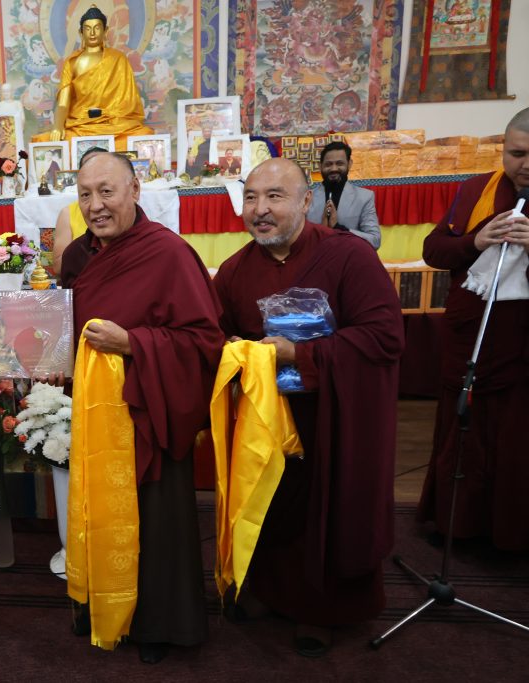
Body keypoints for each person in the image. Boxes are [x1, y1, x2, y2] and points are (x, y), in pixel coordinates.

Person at [213, 158, 404, 656]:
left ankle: (322, 610)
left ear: (306, 202)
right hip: (267, 420)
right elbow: (215, 337)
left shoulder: (348, 256)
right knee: (270, 507)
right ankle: (269, 592)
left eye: (275, 197)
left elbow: (385, 336)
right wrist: (233, 352)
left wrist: (299, 354)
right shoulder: (234, 271)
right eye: (251, 197)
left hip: (337, 416)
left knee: (329, 511)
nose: (260, 209)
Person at [58, 153, 224, 663]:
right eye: (85, 195)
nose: (95, 205)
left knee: (154, 523)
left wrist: (133, 344)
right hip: (94, 414)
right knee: (96, 512)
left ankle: (157, 624)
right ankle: (99, 605)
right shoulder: (78, 256)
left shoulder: (168, 253)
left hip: (149, 412)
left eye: (107, 192)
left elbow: (205, 342)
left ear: (135, 190)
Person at [417, 107, 529, 552]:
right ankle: (456, 525)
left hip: (521, 345)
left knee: (516, 438)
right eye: (518, 154)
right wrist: (475, 241)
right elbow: (433, 250)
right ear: (503, 150)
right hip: (471, 339)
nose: (526, 165)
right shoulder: (475, 190)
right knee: (461, 429)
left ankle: (511, 533)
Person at [35, 6, 153, 148]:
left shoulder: (118, 59)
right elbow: (63, 103)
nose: (92, 33)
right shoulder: (72, 62)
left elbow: (128, 101)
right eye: (87, 28)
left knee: (144, 134)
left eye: (97, 28)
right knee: (44, 141)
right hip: (81, 126)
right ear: (80, 32)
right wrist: (58, 126)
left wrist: (110, 114)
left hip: (113, 125)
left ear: (105, 31)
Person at [306, 141, 381, 249]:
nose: (334, 169)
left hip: (349, 258)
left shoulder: (365, 197)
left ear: (349, 164)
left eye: (339, 163)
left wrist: (340, 228)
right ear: (320, 166)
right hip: (315, 257)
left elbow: (375, 241)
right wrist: (320, 231)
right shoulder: (306, 197)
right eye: (328, 164)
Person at [50, 146, 107, 275]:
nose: (96, 207)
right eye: (89, 167)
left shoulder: (122, 208)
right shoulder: (68, 213)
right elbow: (59, 267)